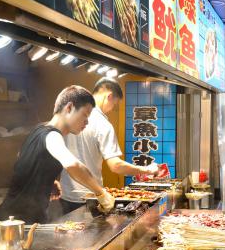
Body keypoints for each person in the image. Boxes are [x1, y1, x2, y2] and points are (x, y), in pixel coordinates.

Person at [0, 86, 115, 224]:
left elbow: (22, 157)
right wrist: (101, 193)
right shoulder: (52, 135)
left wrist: (47, 180)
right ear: (69, 108)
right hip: (16, 223)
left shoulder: (39, 128)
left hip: (17, 217)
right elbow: (72, 164)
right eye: (85, 115)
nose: (87, 122)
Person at [59, 78, 159, 213]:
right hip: (90, 196)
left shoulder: (69, 115)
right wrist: (147, 170)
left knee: (70, 226)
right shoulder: (102, 124)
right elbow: (116, 166)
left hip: (66, 194)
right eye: (114, 104)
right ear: (109, 96)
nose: (112, 109)